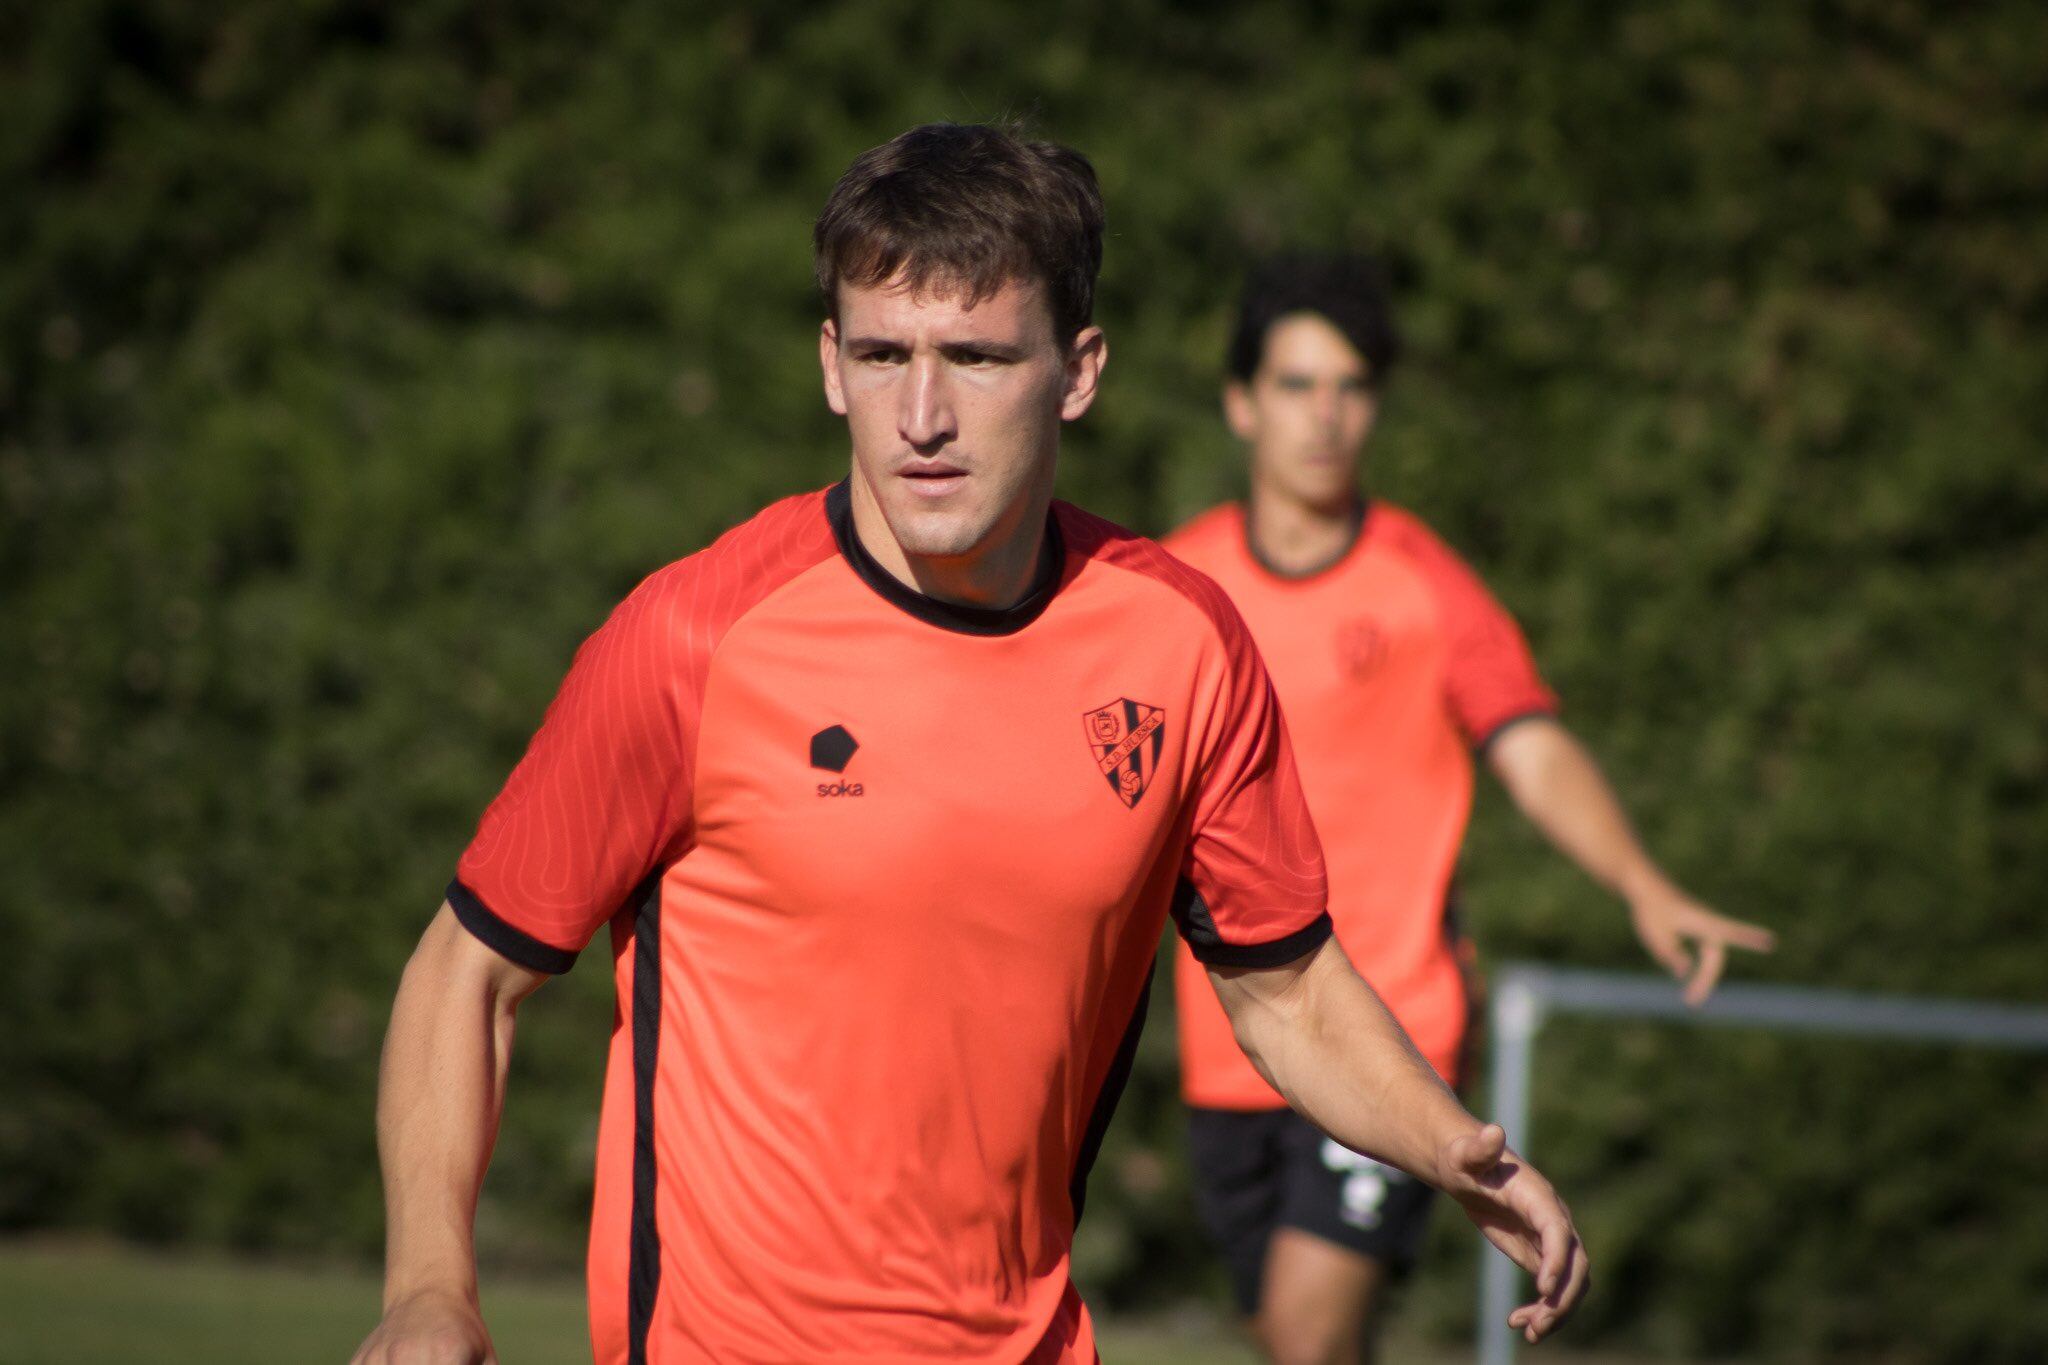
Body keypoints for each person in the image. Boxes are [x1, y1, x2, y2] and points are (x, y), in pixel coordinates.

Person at [349, 131, 1587, 1365]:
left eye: (977, 358)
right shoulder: (695, 638)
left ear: (1077, 371)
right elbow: (468, 974)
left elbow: (1287, 988)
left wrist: (1443, 1145)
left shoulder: (1182, 644)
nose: (921, 416)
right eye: (882, 356)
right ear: (830, 365)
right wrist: (426, 1287)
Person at [1165, 252, 1774, 1365]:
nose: (1324, 416)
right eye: (1297, 385)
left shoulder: (1420, 585)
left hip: (1388, 1026)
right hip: (1230, 1043)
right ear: (1241, 403)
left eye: (1350, 388)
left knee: (1304, 1334)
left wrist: (1638, 881)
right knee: (1294, 1342)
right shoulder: (1175, 591)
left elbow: (1529, 747)